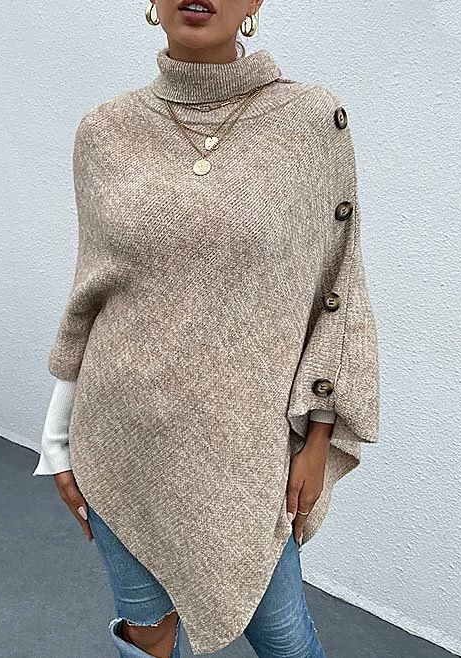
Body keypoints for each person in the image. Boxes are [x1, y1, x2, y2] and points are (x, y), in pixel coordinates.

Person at [32, 1, 380, 656]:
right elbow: (90, 295)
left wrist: (319, 436)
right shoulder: (103, 132)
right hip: (122, 440)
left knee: (284, 638)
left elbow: (338, 288)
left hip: (250, 452)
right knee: (147, 633)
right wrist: (56, 440)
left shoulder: (311, 124)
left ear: (255, 4)